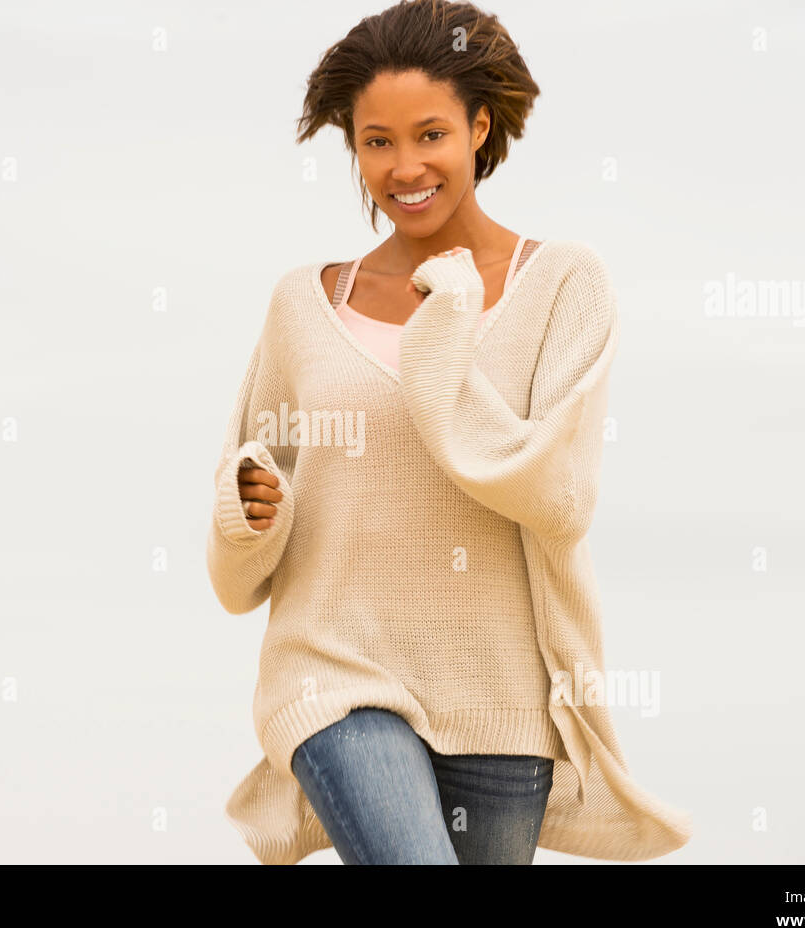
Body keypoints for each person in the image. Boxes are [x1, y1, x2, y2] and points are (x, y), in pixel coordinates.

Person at [206, 0, 692, 865]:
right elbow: (240, 555)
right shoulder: (303, 303)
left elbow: (559, 495)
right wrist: (249, 507)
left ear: (479, 126)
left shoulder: (563, 285)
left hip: (501, 701)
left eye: (429, 134)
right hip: (332, 676)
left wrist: (447, 330)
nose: (404, 166)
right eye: (376, 141)